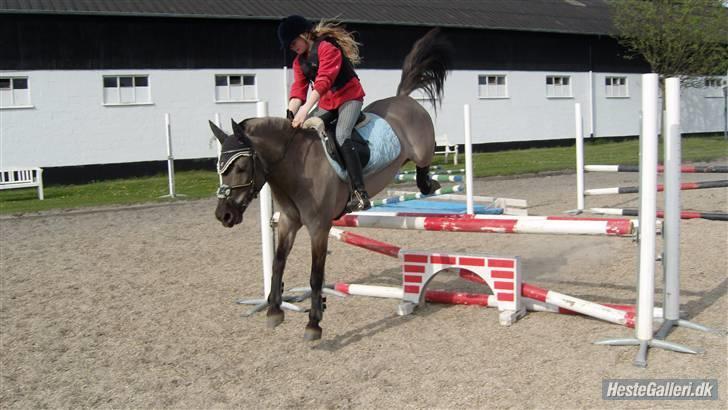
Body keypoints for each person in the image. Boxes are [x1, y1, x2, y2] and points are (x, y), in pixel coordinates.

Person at [277, 15, 371, 211]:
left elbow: (323, 82)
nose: (292, 47)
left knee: (342, 134)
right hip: (328, 102)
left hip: (349, 97)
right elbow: (298, 90)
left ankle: (360, 193)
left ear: (304, 34)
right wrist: (290, 114)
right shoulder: (298, 62)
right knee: (306, 133)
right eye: (290, 45)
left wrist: (306, 110)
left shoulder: (327, 48)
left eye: (294, 42)